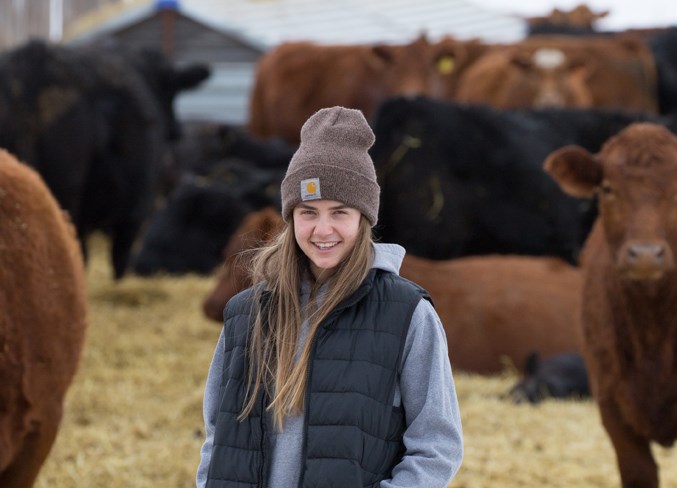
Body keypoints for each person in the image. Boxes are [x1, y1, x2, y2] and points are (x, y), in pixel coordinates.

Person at [197, 106, 463, 487]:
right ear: (290, 218)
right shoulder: (245, 313)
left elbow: (437, 445)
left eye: (339, 212)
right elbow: (216, 436)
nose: (323, 229)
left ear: (363, 217)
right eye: (308, 212)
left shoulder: (407, 314)